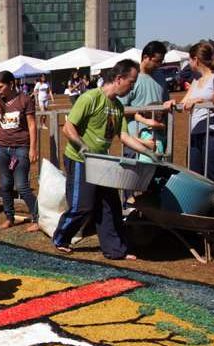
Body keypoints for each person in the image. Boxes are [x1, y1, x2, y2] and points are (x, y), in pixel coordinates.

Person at [52, 59, 158, 260]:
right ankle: (61, 238)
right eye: (131, 82)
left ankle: (115, 250)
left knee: (111, 206)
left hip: (102, 163)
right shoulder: (90, 98)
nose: (132, 87)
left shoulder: (117, 106)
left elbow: (124, 136)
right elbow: (68, 128)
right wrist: (82, 147)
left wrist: (147, 151)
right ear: (119, 79)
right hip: (80, 160)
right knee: (82, 206)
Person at [0, 71, 40, 232]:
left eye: (1, 86)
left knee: (21, 186)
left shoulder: (25, 100)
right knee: (5, 184)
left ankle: (37, 218)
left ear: (11, 84)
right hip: (1, 148)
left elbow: (32, 125)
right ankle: (9, 217)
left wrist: (33, 148)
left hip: (21, 147)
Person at [180, 42, 214, 182]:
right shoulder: (196, 81)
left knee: (210, 176)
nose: (189, 63)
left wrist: (204, 103)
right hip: (195, 132)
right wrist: (171, 103)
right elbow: (183, 103)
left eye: (189, 59)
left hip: (212, 132)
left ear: (196, 60)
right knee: (194, 176)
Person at [119, 41, 174, 163]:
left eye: (161, 61)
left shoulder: (160, 76)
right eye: (157, 61)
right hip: (136, 141)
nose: (159, 65)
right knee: (135, 179)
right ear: (145, 57)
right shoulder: (132, 77)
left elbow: (165, 102)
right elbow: (119, 109)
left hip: (158, 139)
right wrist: (143, 113)